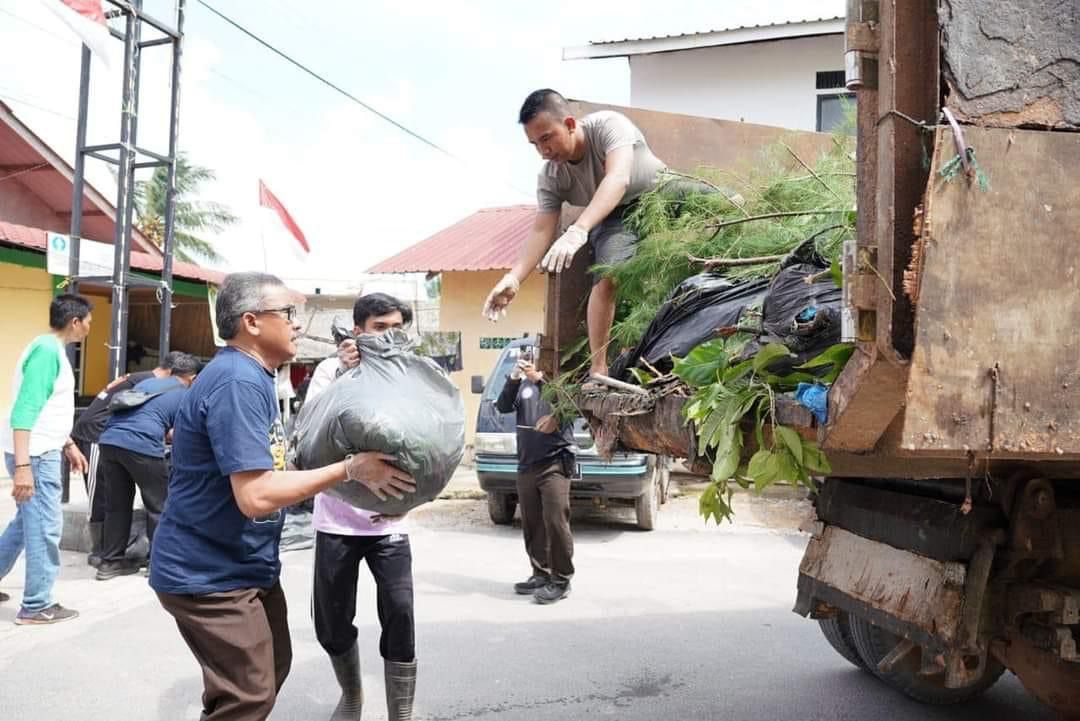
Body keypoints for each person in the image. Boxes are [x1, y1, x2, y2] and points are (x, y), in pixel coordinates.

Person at [149, 272, 415, 721]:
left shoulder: (254, 376)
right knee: (248, 696)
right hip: (210, 575)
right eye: (288, 313)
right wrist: (350, 469)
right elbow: (255, 495)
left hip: (244, 565)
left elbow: (275, 469)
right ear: (252, 322)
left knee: (268, 671)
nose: (297, 324)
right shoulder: (237, 381)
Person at [482, 88, 669, 379]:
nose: (542, 151)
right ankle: (599, 368)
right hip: (615, 216)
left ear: (570, 124)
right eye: (534, 144)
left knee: (729, 202)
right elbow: (542, 229)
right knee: (607, 274)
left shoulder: (609, 125)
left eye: (546, 138)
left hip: (662, 192)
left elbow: (618, 178)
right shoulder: (551, 177)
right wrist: (513, 277)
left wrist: (579, 229)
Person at [305, 292, 420, 721]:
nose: (389, 336)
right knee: (332, 621)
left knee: (401, 613)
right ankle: (351, 697)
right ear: (358, 331)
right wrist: (345, 373)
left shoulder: (410, 374)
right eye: (379, 328)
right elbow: (311, 428)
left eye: (396, 328)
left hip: (390, 523)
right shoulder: (328, 370)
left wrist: (411, 501)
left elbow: (430, 442)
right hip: (336, 520)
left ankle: (401, 713)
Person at [0, 294, 92, 624]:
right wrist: (23, 468)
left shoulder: (48, 350)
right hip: (36, 456)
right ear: (75, 322)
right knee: (44, 529)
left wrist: (68, 444)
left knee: (27, 524)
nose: (89, 328)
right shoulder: (47, 352)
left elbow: (47, 409)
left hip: (42, 448)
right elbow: (25, 410)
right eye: (88, 322)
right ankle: (37, 605)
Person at [70, 350, 200, 567]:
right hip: (141, 445)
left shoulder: (145, 384)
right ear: (192, 378)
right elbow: (177, 433)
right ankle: (158, 562)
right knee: (159, 505)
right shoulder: (185, 393)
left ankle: (110, 562)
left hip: (109, 442)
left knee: (117, 505)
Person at [495, 349, 576, 604]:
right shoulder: (521, 386)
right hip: (526, 464)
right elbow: (502, 406)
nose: (529, 361)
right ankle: (540, 574)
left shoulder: (558, 384)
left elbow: (571, 407)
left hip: (554, 463)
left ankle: (561, 580)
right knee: (532, 523)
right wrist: (514, 378)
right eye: (526, 357)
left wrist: (540, 378)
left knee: (555, 521)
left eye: (534, 358)